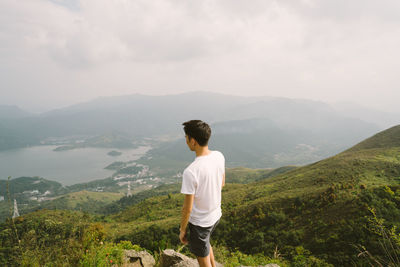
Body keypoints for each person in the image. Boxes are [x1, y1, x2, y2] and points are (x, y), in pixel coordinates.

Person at [179, 120, 225, 267]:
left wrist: (182, 229)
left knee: (202, 259)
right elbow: (222, 183)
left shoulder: (191, 171)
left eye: (186, 138)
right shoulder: (219, 156)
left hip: (200, 223)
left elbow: (188, 208)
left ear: (193, 141)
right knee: (206, 243)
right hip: (215, 215)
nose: (186, 141)